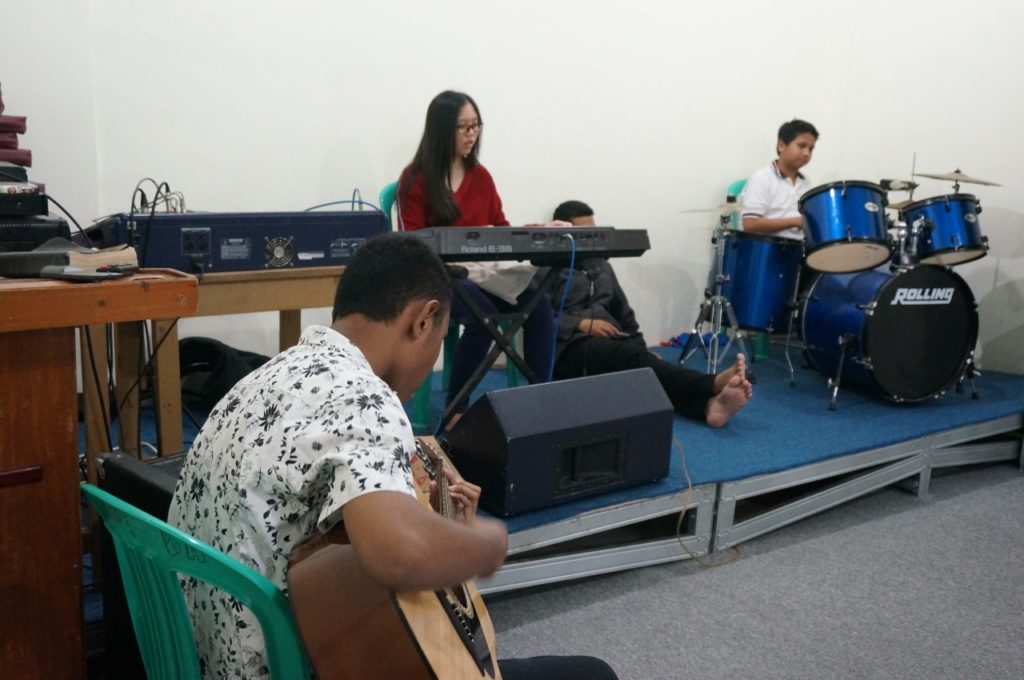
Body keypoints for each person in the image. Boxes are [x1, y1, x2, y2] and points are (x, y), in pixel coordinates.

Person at [167, 233, 617, 680]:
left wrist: (429, 520)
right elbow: (396, 556)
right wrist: (489, 543)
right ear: (423, 321)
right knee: (591, 675)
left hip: (200, 660)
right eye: (440, 338)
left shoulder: (260, 378)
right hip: (293, 666)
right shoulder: (367, 398)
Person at [397, 90, 555, 415]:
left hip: (483, 273)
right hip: (438, 276)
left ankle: (540, 403)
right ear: (442, 129)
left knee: (539, 305)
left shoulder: (481, 177)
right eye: (463, 127)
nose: (472, 134)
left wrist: (536, 230)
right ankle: (457, 411)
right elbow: (413, 245)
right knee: (482, 316)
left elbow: (501, 230)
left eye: (476, 126)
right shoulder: (416, 178)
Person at [549, 201, 752, 427]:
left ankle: (708, 407)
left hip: (610, 342)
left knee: (636, 376)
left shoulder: (601, 265)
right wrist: (580, 323)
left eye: (594, 232)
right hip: (569, 348)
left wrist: (641, 347)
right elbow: (537, 320)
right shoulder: (545, 269)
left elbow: (623, 313)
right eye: (584, 233)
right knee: (633, 362)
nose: (591, 239)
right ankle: (711, 384)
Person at [739, 119, 819, 239]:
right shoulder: (762, 179)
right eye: (802, 146)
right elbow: (749, 224)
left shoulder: (806, 183)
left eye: (811, 149)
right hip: (770, 247)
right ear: (781, 146)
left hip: (800, 247)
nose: (807, 153)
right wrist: (794, 222)